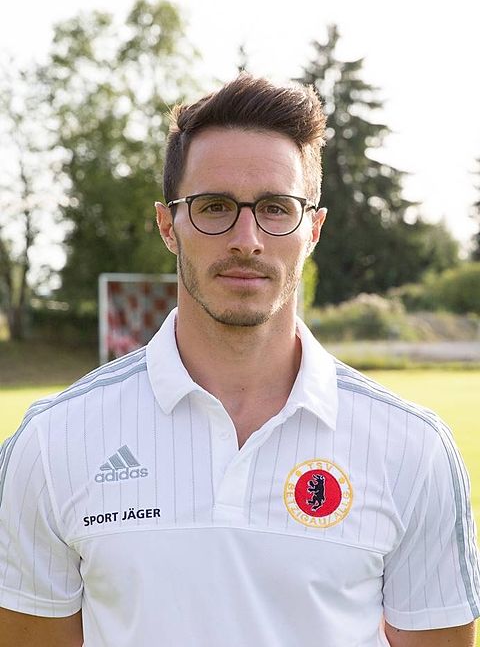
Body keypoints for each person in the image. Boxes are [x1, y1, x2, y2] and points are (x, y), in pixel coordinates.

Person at [0, 74, 478, 647]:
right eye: (214, 207)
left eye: (276, 208)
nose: (246, 238)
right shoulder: (53, 442)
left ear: (313, 229)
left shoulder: (414, 449)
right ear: (168, 226)